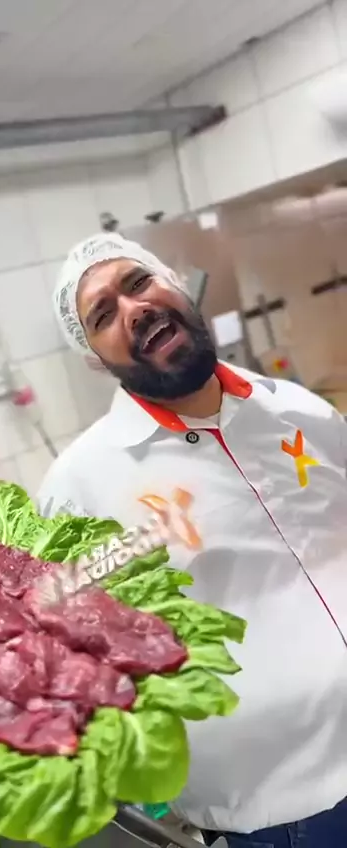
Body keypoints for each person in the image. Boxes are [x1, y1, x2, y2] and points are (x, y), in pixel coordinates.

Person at [36, 232, 347, 848]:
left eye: (138, 282)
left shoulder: (297, 409)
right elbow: (74, 657)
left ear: (174, 285)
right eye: (103, 315)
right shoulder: (81, 489)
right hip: (284, 806)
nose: (133, 308)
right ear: (96, 358)